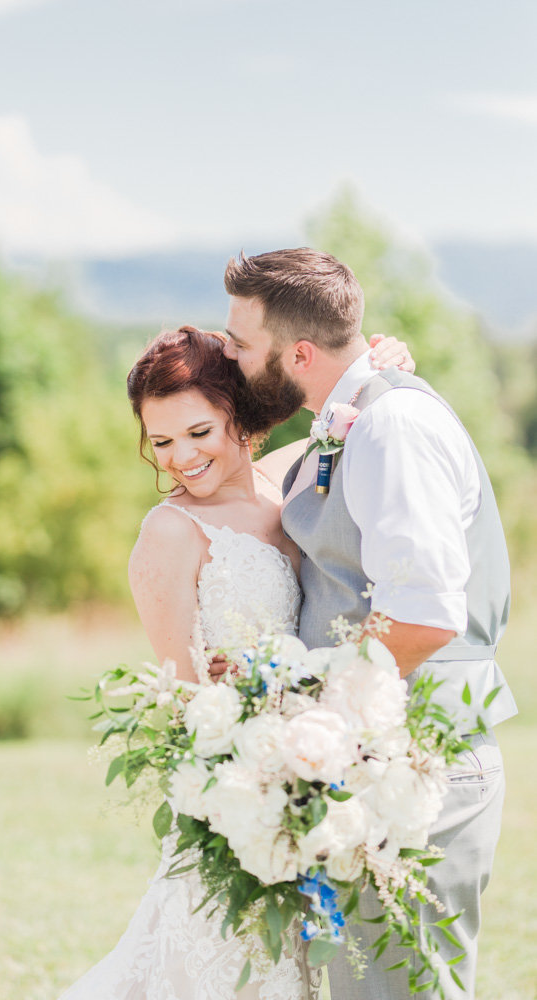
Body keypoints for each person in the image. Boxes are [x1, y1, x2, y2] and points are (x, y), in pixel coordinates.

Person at [57, 324, 415, 1000]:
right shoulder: (169, 531)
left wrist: (379, 364)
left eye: (198, 432)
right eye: (161, 442)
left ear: (238, 418)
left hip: (314, 773)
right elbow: (182, 695)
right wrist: (261, 769)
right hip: (237, 793)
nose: (180, 458)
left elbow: (337, 421)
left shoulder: (281, 491)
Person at [221, 247, 518, 1000]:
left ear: (297, 353)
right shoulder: (357, 418)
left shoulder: (393, 428)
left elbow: (422, 616)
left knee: (400, 988)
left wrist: (311, 731)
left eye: (240, 345)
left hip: (418, 762)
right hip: (376, 752)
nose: (229, 357)